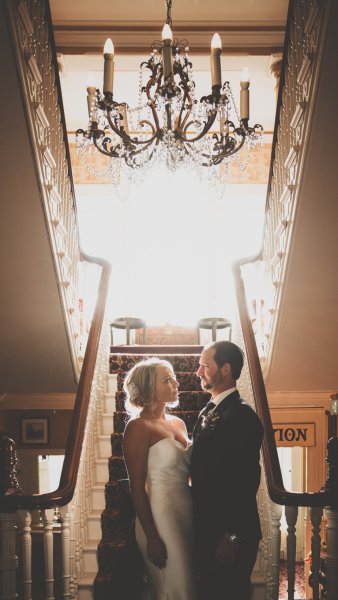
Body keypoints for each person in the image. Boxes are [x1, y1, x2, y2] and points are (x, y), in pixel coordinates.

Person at [191, 340, 264, 600]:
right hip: (208, 527)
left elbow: (246, 481)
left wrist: (232, 535)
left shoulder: (242, 416)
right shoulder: (206, 412)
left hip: (231, 532)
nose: (198, 372)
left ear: (225, 369)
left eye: (204, 365)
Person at [123, 357, 197, 600]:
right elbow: (136, 487)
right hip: (159, 515)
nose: (176, 382)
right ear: (149, 388)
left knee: (191, 585)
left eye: (174, 376)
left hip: (186, 510)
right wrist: (152, 537)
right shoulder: (138, 427)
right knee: (175, 588)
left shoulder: (179, 423)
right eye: (167, 379)